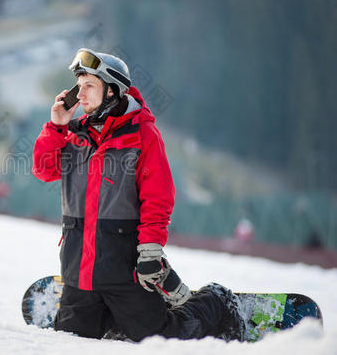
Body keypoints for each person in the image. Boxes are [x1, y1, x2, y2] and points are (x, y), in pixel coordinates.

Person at [32, 48, 245, 342]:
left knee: (166, 338)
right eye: (78, 87)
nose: (79, 95)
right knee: (70, 342)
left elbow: (158, 198)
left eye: (89, 86)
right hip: (78, 274)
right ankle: (111, 320)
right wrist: (56, 125)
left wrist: (150, 250)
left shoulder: (142, 135)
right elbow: (44, 170)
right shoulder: (73, 134)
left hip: (124, 271)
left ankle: (215, 302)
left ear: (111, 91)